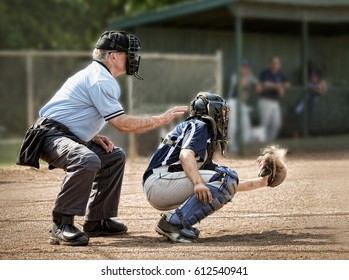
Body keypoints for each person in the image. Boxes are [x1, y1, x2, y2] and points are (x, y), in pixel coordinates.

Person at [16, 30, 187, 246]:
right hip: (49, 136)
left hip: (62, 134)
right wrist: (159, 120)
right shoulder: (100, 79)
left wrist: (92, 136)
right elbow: (122, 124)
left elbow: (71, 111)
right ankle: (61, 224)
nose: (133, 59)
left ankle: (97, 220)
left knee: (113, 156)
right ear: (113, 56)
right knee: (86, 159)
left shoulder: (98, 75)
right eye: (129, 53)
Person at [142, 92, 276, 243]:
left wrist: (262, 182)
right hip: (160, 182)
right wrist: (198, 183)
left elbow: (227, 184)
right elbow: (185, 155)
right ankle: (172, 224)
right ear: (210, 112)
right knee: (226, 177)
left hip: (163, 182)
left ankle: (175, 223)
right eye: (220, 113)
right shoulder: (200, 124)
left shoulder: (198, 134)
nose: (223, 119)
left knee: (225, 178)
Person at [227, 59, 261, 151]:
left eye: (247, 67)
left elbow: (258, 89)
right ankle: (231, 145)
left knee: (246, 125)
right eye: (243, 67)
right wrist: (249, 77)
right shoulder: (236, 76)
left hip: (242, 103)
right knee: (233, 125)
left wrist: (256, 83)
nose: (245, 69)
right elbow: (242, 84)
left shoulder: (250, 76)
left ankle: (245, 145)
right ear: (240, 68)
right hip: (233, 102)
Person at [258, 56, 290, 141]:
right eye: (274, 63)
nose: (276, 65)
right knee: (265, 125)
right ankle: (263, 143)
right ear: (270, 64)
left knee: (277, 124)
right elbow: (265, 84)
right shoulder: (265, 73)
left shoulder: (280, 74)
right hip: (265, 101)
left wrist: (282, 87)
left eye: (277, 63)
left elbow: (287, 84)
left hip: (275, 102)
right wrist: (278, 87)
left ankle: (269, 142)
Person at [294, 70, 327, 137]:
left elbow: (324, 89)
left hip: (311, 107)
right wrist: (320, 88)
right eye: (312, 77)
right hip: (303, 105)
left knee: (309, 121)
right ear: (309, 78)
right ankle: (297, 135)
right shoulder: (308, 84)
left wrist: (323, 85)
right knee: (298, 116)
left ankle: (306, 135)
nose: (313, 78)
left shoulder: (317, 84)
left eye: (315, 77)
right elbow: (318, 90)